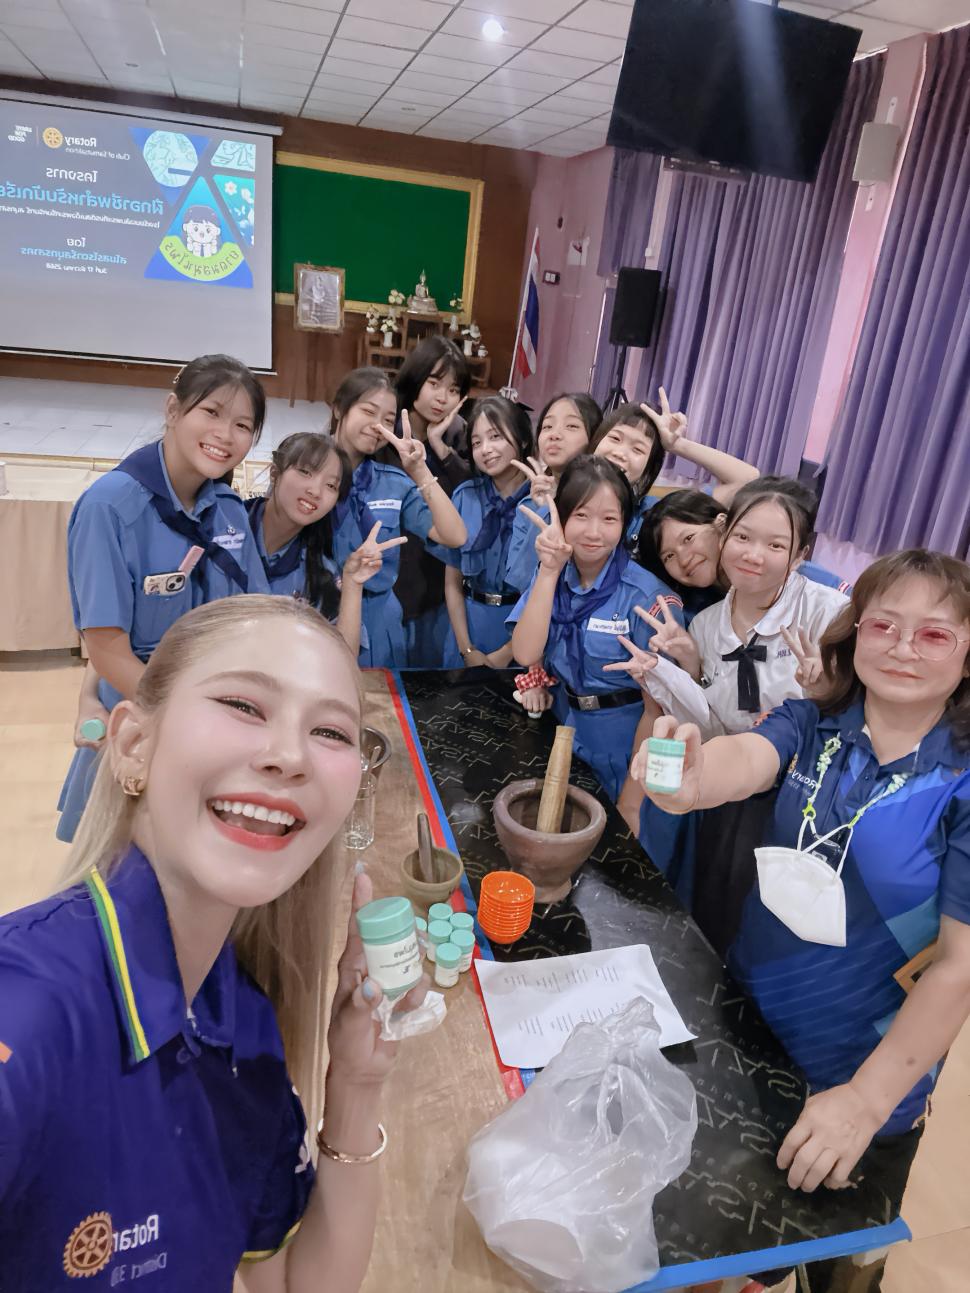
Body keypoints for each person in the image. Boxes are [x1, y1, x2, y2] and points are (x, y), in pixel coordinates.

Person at [0, 596, 429, 1290]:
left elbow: (294, 1284)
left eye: (329, 731)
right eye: (243, 705)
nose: (289, 756)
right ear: (133, 744)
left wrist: (356, 1081)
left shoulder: (244, 1025)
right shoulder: (25, 1016)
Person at [633, 549, 970, 1293]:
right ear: (855, 631)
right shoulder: (813, 719)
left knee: (835, 1266)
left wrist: (867, 1099)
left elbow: (958, 967)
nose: (903, 647)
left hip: (862, 1071)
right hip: (749, 1030)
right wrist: (691, 779)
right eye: (883, 624)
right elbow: (746, 760)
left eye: (934, 634)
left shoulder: (960, 780)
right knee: (714, 1242)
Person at [58, 354, 269, 842]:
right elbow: (107, 650)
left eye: (243, 425)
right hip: (142, 716)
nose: (225, 434)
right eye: (211, 412)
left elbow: (255, 614)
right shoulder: (110, 507)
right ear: (173, 410)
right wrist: (186, 718)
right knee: (123, 865)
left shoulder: (228, 510)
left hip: (215, 720)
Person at [508, 455, 682, 801]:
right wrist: (548, 572)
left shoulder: (647, 597)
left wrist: (633, 797)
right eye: (581, 515)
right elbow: (526, 653)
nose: (593, 532)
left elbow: (664, 706)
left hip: (628, 746)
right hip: (567, 730)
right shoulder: (553, 575)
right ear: (561, 516)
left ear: (625, 523)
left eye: (609, 519)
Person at [330, 367, 466, 668]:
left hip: (379, 620)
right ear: (339, 408)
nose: (377, 426)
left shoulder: (392, 482)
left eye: (388, 420)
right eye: (369, 411)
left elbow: (454, 535)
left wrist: (420, 471)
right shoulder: (308, 472)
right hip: (321, 613)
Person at [245, 431, 406, 658]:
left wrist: (352, 583)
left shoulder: (319, 569)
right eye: (305, 472)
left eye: (331, 485)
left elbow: (343, 657)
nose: (315, 491)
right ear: (275, 473)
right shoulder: (223, 527)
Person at [638, 489, 851, 625]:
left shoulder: (800, 574)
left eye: (688, 539)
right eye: (669, 556)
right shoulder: (695, 614)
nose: (684, 560)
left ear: (721, 524)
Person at [390, 337, 472, 667]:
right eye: (434, 383)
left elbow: (470, 499)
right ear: (415, 378)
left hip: (438, 590)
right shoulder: (388, 436)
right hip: (388, 585)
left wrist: (440, 448)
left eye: (453, 390)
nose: (442, 398)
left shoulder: (458, 441)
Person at [590, 388, 759, 545]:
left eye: (638, 449)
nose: (620, 453)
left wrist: (677, 445)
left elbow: (746, 479)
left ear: (648, 471)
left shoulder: (655, 515)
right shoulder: (572, 492)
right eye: (615, 438)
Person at [441, 395, 533, 669]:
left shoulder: (542, 503)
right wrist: (467, 649)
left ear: (522, 440)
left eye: (495, 437)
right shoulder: (464, 497)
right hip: (466, 626)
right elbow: (452, 581)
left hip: (523, 630)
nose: (486, 449)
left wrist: (507, 653)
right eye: (476, 442)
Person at [505, 392, 602, 593]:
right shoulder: (529, 505)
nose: (554, 434)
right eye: (547, 426)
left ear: (595, 438)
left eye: (571, 426)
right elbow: (520, 579)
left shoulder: (604, 504)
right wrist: (547, 509)